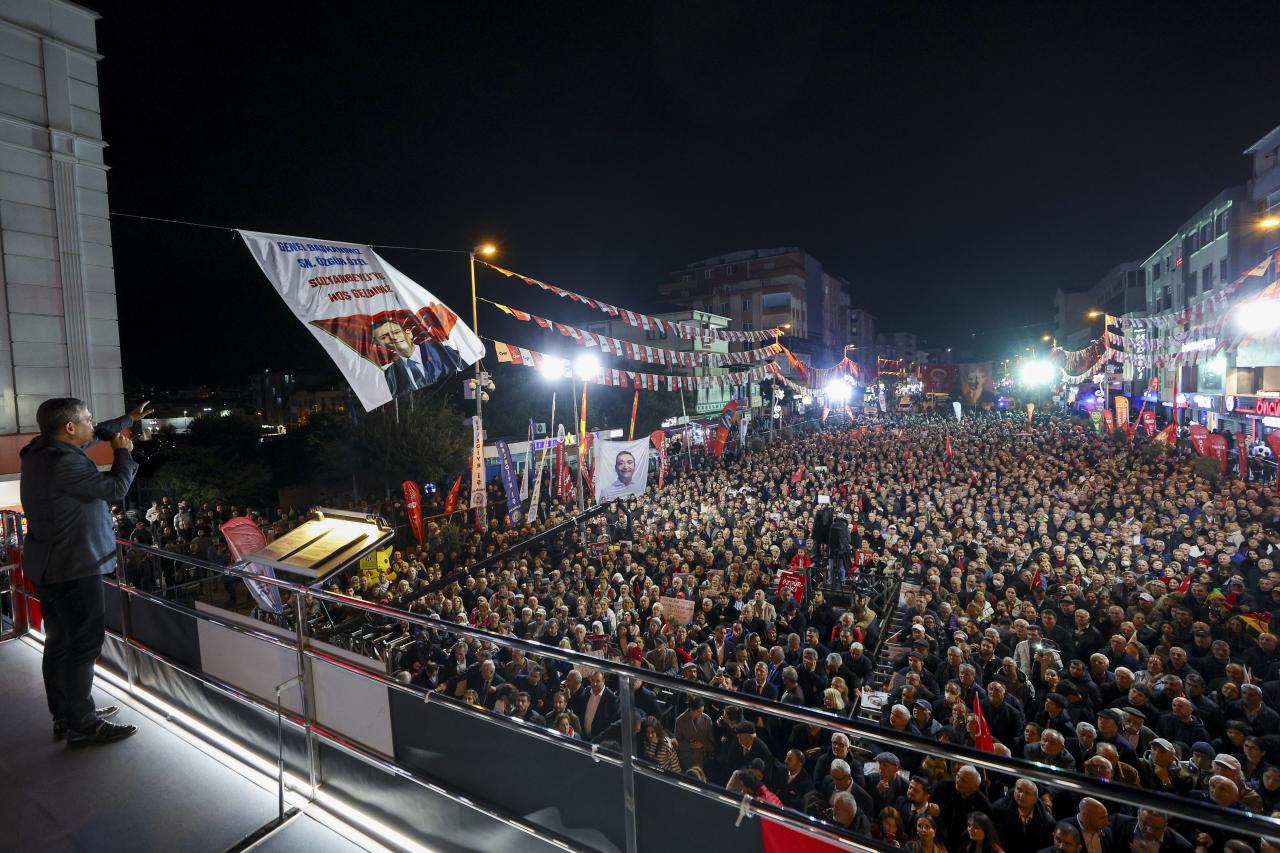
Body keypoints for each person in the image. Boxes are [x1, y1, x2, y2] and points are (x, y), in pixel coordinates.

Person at [21, 396, 151, 745]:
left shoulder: (39, 451)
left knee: (60, 640)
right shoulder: (65, 464)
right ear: (69, 428)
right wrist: (123, 452)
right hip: (75, 566)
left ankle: (66, 712)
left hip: (50, 563)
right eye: (88, 419)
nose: (93, 425)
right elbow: (116, 489)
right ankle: (83, 723)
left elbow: (94, 437)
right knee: (85, 642)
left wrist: (128, 418)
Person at [372, 317, 461, 396]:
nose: (393, 338)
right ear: (380, 345)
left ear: (409, 333)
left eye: (396, 332)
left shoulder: (444, 353)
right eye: (384, 337)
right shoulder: (390, 376)